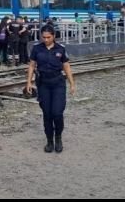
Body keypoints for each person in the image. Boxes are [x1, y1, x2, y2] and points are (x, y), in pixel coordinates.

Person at [25, 25, 77, 153]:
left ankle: (58, 137)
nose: (46, 39)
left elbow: (66, 66)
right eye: (44, 37)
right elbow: (32, 66)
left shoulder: (61, 49)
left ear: (54, 36)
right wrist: (29, 83)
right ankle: (49, 141)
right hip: (43, 84)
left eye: (48, 37)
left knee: (57, 113)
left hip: (58, 83)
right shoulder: (37, 49)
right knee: (47, 114)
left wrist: (72, 83)